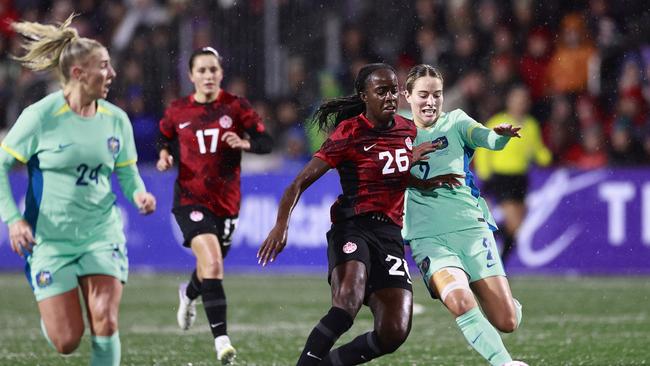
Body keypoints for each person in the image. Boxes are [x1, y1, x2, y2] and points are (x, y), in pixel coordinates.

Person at [0, 14, 156, 366]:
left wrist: (139, 195)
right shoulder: (40, 117)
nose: (112, 74)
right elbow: (2, 166)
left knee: (105, 317)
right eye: (103, 67)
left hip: (101, 234)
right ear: (78, 73)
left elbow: (128, 175)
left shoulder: (116, 119)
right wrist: (12, 219)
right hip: (50, 241)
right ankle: (54, 315)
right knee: (67, 340)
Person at [258, 63, 437, 366]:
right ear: (364, 96)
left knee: (394, 331)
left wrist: (423, 182)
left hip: (390, 235)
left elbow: (392, 174)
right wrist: (280, 225)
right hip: (353, 227)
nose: (391, 97)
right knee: (346, 304)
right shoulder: (349, 133)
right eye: (382, 91)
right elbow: (298, 182)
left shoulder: (409, 130)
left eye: (394, 90)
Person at [402, 64, 527, 366]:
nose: (430, 102)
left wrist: (501, 136)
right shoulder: (396, 132)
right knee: (459, 301)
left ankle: (503, 301)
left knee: (507, 321)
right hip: (428, 237)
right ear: (407, 96)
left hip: (471, 230)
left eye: (437, 95)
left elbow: (487, 138)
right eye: (422, 95)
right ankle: (505, 363)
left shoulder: (456, 122)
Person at [156, 46, 273, 365]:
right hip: (190, 199)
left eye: (213, 70)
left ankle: (188, 294)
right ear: (191, 75)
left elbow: (266, 141)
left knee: (210, 264)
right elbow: (164, 136)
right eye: (202, 71)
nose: (208, 75)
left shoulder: (236, 107)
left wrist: (246, 143)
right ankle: (222, 342)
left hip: (226, 203)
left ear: (221, 73)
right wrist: (164, 154)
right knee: (213, 263)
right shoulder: (178, 110)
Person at [473, 84, 551, 265]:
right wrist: (485, 173)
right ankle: (498, 256)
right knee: (514, 222)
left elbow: (537, 150)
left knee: (516, 227)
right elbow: (484, 149)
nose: (520, 103)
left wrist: (547, 157)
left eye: (524, 100)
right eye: (517, 99)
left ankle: (499, 257)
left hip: (521, 178)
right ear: (509, 101)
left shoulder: (531, 125)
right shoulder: (497, 121)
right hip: (501, 177)